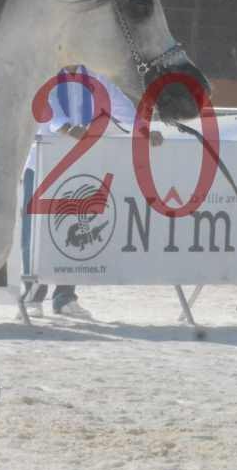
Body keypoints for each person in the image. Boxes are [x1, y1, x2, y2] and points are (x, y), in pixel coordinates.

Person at [25, 65, 161, 319]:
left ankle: (65, 297)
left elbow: (123, 111)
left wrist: (144, 131)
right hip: (43, 162)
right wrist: (65, 126)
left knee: (76, 226)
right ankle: (33, 295)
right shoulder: (46, 71)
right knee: (37, 230)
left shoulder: (97, 78)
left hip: (80, 165)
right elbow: (44, 106)